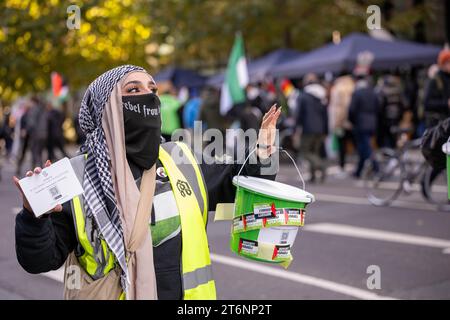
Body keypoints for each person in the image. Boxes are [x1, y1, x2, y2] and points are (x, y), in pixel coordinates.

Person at [14, 65, 280, 300]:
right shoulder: (73, 175)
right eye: (134, 88)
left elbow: (243, 186)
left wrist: (264, 150)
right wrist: (33, 217)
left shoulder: (182, 158)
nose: (149, 95)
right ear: (107, 106)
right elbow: (40, 260)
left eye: (152, 88)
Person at [296, 73, 328, 183]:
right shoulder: (322, 95)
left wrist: (296, 127)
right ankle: (313, 176)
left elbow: (299, 113)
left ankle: (320, 166)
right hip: (320, 128)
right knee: (315, 151)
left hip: (308, 128)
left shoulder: (304, 95)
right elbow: (325, 114)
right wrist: (326, 130)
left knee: (305, 152)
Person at [348, 74, 379, 178]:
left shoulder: (357, 93)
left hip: (360, 123)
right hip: (372, 122)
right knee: (363, 147)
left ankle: (376, 167)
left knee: (365, 147)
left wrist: (352, 121)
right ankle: (359, 171)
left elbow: (351, 110)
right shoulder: (373, 92)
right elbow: (378, 107)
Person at [328, 75, 354, 173]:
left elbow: (340, 108)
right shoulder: (352, 88)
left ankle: (342, 166)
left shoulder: (338, 90)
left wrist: (337, 122)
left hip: (341, 122)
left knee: (342, 146)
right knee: (354, 143)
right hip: (351, 121)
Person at [376, 74, 407, 148]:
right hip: (396, 118)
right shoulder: (398, 91)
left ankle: (387, 153)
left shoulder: (383, 91)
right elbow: (403, 104)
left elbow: (380, 106)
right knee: (394, 137)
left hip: (385, 119)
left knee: (385, 138)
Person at [423, 49, 450, 128]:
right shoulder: (435, 80)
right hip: (437, 125)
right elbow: (427, 103)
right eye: (448, 62)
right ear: (443, 64)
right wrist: (446, 103)